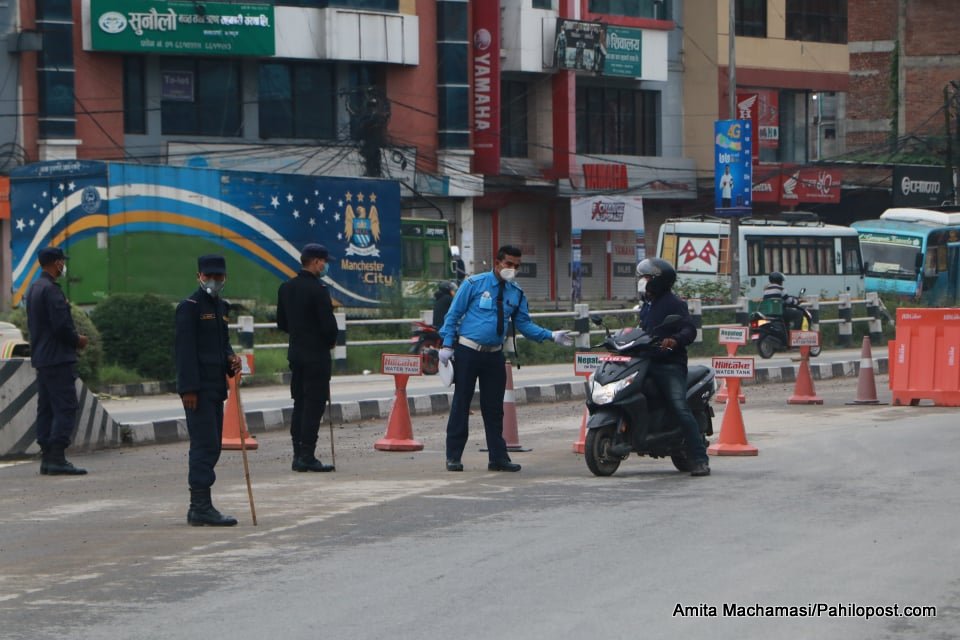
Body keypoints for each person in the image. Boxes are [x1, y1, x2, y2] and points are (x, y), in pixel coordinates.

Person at [438, 245, 575, 472]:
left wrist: (551, 335)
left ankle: (498, 458)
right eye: (509, 264)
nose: (512, 269)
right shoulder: (473, 284)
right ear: (498, 262)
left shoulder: (516, 293)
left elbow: (524, 325)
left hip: (494, 355)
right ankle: (453, 456)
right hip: (468, 351)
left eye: (517, 266)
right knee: (461, 404)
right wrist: (447, 343)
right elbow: (453, 315)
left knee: (494, 409)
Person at [175, 254, 243, 526]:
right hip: (198, 389)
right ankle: (199, 507)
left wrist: (231, 360)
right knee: (204, 446)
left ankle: (202, 504)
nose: (213, 281)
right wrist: (188, 389)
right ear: (199, 276)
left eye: (219, 277)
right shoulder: (188, 308)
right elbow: (184, 352)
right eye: (208, 276)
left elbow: (222, 344)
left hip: (216, 387)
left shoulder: (221, 307)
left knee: (213, 445)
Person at [633, 258, 710, 477]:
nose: (642, 281)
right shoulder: (646, 304)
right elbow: (644, 331)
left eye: (646, 278)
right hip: (646, 361)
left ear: (658, 281)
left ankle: (699, 459)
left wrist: (674, 340)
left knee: (679, 406)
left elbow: (689, 330)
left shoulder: (674, 303)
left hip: (669, 365)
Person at [25, 246, 89, 476]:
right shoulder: (51, 291)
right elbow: (61, 326)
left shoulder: (34, 288)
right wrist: (77, 340)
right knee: (65, 406)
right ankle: (57, 457)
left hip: (42, 358)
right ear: (57, 263)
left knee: (47, 408)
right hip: (58, 358)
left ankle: (47, 458)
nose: (63, 265)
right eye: (62, 261)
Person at [277, 243, 338, 473]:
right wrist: (329, 340)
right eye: (324, 261)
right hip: (316, 356)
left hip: (296, 353)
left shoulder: (286, 288)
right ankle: (307, 455)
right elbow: (329, 327)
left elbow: (282, 323)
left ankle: (297, 454)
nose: (326, 265)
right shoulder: (318, 290)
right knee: (314, 404)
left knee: (300, 403)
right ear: (315, 262)